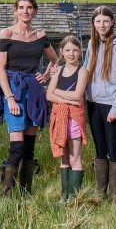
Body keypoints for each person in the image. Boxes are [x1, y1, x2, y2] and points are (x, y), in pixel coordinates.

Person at [0, 0, 59, 197]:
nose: (25, 11)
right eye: (21, 7)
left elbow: (55, 60)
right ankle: (6, 194)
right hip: (13, 88)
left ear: (35, 11)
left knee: (29, 146)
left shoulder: (40, 36)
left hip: (34, 90)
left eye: (29, 8)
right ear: (15, 10)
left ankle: (26, 194)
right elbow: (0, 68)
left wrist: (47, 76)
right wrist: (10, 98)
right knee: (17, 145)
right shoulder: (6, 34)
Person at [84, 6, 116, 204]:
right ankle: (100, 194)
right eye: (98, 21)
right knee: (99, 149)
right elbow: (86, 73)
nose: (102, 25)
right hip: (93, 103)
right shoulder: (91, 44)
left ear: (112, 22)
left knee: (113, 148)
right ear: (93, 24)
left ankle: (115, 198)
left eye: (105, 21)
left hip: (111, 104)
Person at [46, 35, 89, 202]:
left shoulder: (82, 71)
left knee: (75, 157)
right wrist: (66, 99)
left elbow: (78, 95)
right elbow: (49, 94)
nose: (72, 54)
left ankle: (74, 196)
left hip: (75, 119)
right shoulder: (58, 70)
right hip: (60, 118)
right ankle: (64, 195)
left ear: (80, 52)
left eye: (75, 50)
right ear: (61, 52)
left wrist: (58, 92)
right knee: (64, 158)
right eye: (68, 50)